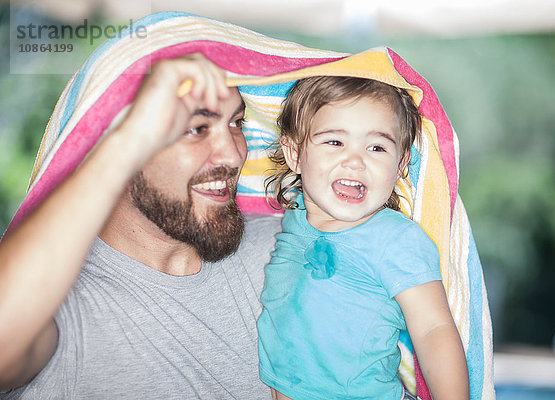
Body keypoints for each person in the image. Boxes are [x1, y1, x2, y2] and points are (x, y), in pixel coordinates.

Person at [0, 52, 279, 398]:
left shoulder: (284, 246)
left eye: (236, 123)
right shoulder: (58, 300)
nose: (235, 155)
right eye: (196, 128)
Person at [257, 76, 470, 400]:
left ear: (400, 164)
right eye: (334, 142)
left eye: (376, 147)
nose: (355, 161)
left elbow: (433, 330)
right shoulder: (295, 217)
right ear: (295, 154)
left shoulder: (395, 240)